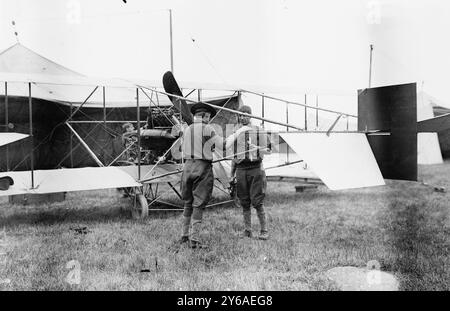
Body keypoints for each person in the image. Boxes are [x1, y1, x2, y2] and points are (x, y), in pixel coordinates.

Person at [178, 102, 224, 249]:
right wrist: (236, 137)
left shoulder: (187, 129)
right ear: (204, 116)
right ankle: (195, 240)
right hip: (202, 167)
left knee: (188, 202)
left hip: (188, 167)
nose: (209, 119)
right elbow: (222, 145)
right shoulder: (208, 128)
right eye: (208, 117)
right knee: (198, 204)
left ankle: (184, 235)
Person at [226, 105, 271, 240]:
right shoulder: (235, 132)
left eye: (246, 114)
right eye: (241, 114)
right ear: (238, 116)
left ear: (251, 115)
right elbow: (235, 157)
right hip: (241, 170)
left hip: (255, 169)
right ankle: (247, 230)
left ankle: (264, 231)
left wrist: (257, 148)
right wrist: (231, 174)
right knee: (244, 201)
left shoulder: (259, 131)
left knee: (257, 201)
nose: (243, 117)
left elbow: (269, 150)